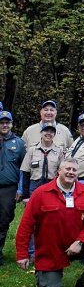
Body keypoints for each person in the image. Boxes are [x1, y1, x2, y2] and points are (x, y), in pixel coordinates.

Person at [15, 159, 84, 287]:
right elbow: (26, 225)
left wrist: (80, 241)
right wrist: (22, 254)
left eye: (74, 170)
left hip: (78, 244)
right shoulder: (41, 193)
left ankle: (83, 283)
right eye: (67, 169)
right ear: (59, 171)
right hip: (51, 250)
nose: (71, 172)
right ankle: (46, 275)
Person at [0, 110, 26, 265]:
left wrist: (21, 189)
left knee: (3, 219)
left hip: (9, 188)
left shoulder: (19, 143)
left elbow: (24, 168)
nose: (4, 125)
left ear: (11, 124)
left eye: (7, 122)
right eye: (1, 123)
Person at [20, 122, 65, 202]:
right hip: (34, 185)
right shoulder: (32, 150)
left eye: (51, 131)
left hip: (52, 185)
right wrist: (25, 195)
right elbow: (25, 172)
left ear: (54, 134)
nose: (48, 133)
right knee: (34, 211)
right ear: (41, 133)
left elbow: (62, 173)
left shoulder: (59, 151)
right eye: (46, 131)